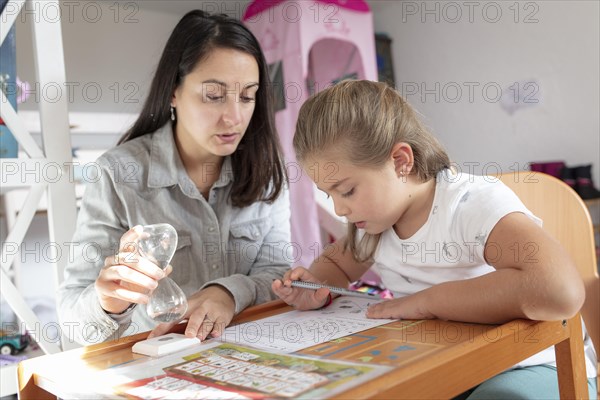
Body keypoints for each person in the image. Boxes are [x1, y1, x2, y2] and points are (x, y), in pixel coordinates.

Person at [272, 80, 597, 398]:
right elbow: (337, 265)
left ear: (400, 161)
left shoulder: (470, 204)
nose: (340, 209)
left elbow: (561, 291)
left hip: (531, 365)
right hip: (443, 365)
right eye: (329, 194)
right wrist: (316, 286)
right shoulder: (374, 223)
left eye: (347, 191)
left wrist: (428, 303)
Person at [58, 10, 291, 345]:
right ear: (173, 92)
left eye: (247, 96)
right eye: (213, 95)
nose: (235, 117)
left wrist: (227, 293)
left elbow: (280, 275)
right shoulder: (118, 175)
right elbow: (71, 318)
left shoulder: (267, 170)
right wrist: (108, 304)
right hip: (153, 367)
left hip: (246, 355)